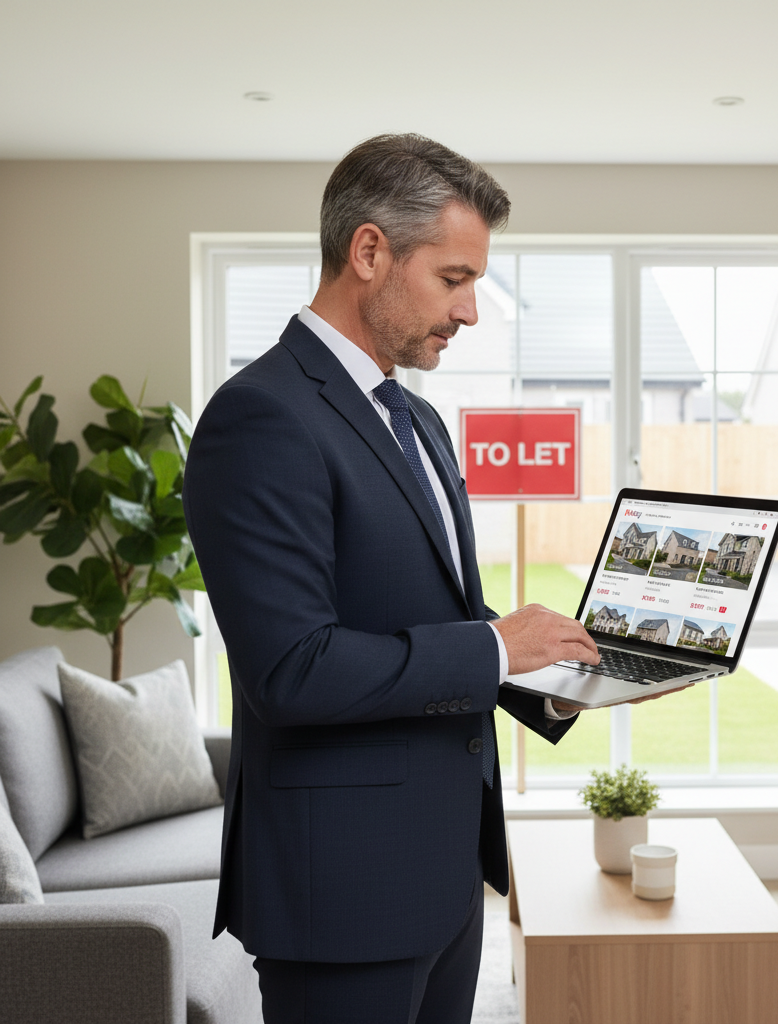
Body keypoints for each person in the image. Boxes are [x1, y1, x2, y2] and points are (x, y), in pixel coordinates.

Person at [182, 133, 602, 1024]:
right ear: (369, 251)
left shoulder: (414, 417)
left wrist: (563, 679)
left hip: (445, 874)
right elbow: (292, 668)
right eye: (455, 279)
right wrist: (494, 645)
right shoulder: (261, 416)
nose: (472, 312)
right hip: (342, 890)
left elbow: (435, 612)